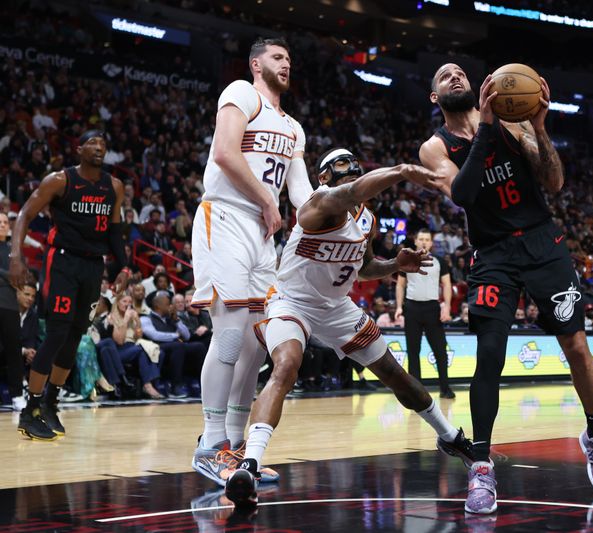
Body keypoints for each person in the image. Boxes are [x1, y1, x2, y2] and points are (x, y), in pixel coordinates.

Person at [223, 149, 474, 509]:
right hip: (292, 301)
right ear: (323, 176)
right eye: (341, 165)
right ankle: (250, 465)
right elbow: (353, 192)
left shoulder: (367, 220)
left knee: (395, 375)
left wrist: (394, 265)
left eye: (354, 164)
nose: (351, 168)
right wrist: (402, 169)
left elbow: (364, 267)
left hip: (337, 308)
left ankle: (449, 435)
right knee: (287, 364)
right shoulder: (318, 203)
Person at [419, 63, 593, 512]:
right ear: (434, 97)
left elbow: (555, 181)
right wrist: (485, 129)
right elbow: (464, 193)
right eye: (442, 75)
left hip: (543, 243)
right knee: (489, 355)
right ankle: (482, 466)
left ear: (476, 85)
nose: (453, 75)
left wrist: (540, 128)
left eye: (459, 72)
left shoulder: (516, 123)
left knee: (577, 346)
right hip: (492, 256)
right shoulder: (435, 148)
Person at [190, 37, 315, 485]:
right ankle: (209, 446)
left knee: (256, 343)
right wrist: (267, 199)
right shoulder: (241, 92)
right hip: (225, 217)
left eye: (289, 58)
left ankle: (235, 445)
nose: (287, 63)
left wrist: (339, 208)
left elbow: (299, 194)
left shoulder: (295, 128)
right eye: (278, 57)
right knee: (226, 337)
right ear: (256, 64)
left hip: (264, 232)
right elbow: (224, 153)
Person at [9, 130, 129, 441]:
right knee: (58, 332)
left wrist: (123, 266)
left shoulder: (113, 186)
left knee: (75, 336)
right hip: (61, 261)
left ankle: (50, 403)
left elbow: (115, 231)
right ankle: (30, 409)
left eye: (103, 143)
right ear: (78, 149)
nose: (99, 147)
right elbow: (24, 214)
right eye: (92, 143)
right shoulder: (59, 180)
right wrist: (16, 257)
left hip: (93, 266)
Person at [395, 228, 455, 399]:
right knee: (413, 351)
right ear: (415, 241)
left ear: (431, 242)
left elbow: (447, 285)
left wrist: (447, 307)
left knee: (440, 351)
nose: (423, 242)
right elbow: (400, 285)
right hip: (412, 308)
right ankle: (416, 391)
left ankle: (445, 388)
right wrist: (399, 306)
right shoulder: (406, 260)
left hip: (432, 309)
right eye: (420, 239)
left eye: (427, 239)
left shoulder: (440, 261)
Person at [96, 291, 163, 399]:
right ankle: (148, 386)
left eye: (130, 302)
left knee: (152, 351)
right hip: (118, 350)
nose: (127, 304)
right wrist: (126, 320)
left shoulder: (133, 316)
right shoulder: (112, 317)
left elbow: (138, 336)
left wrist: (136, 320)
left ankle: (149, 385)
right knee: (142, 350)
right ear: (117, 303)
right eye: (124, 301)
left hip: (133, 347)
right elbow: (120, 341)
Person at [141, 292, 206, 397]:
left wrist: (176, 320)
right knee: (178, 346)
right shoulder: (146, 318)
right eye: (168, 304)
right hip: (157, 347)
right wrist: (175, 335)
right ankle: (176, 387)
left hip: (175, 347)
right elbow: (154, 335)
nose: (171, 306)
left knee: (199, 346)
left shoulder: (171, 318)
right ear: (158, 306)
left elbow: (187, 336)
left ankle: (203, 384)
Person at [0, 212, 26, 410]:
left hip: (9, 304)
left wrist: (9, 277)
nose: (2, 225)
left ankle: (17, 394)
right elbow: (12, 276)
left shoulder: (13, 251)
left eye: (5, 222)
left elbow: (21, 276)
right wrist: (9, 276)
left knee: (13, 350)